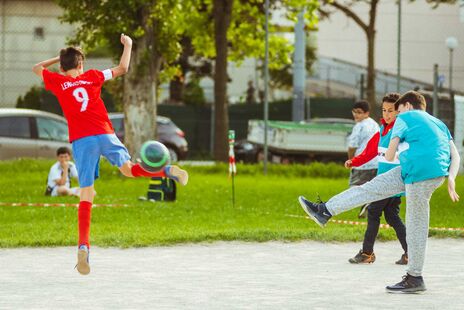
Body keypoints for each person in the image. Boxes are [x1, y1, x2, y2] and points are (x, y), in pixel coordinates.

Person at [32, 34, 189, 276]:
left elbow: (37, 68)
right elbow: (123, 68)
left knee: (86, 193)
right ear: (81, 65)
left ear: (63, 68)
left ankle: (83, 246)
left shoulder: (58, 81)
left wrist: (60, 58)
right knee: (128, 169)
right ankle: (166, 171)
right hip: (105, 133)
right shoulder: (93, 76)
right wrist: (128, 45)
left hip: (83, 140)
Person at [298, 91, 460, 293]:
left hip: (419, 175)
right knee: (371, 188)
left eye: (398, 110)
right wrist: (451, 178)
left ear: (407, 106)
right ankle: (325, 210)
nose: (395, 115)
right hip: (425, 172)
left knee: (415, 221)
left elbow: (391, 155)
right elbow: (455, 155)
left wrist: (398, 144)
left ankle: (415, 277)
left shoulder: (405, 118)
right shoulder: (438, 122)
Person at [344, 93, 407, 265]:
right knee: (392, 216)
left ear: (399, 111)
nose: (386, 114)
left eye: (391, 111)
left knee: (373, 212)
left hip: (391, 182)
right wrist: (354, 161)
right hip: (384, 181)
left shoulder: (400, 130)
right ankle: (411, 252)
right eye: (384, 110)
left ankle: (367, 253)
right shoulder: (382, 129)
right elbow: (370, 151)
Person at [347, 100, 379, 218]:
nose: (356, 115)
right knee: (369, 188)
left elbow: (352, 146)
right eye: (354, 112)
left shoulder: (359, 126)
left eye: (359, 112)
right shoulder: (375, 124)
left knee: (353, 190)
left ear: (366, 113)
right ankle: (368, 206)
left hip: (361, 164)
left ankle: (369, 204)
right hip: (375, 163)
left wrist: (351, 161)